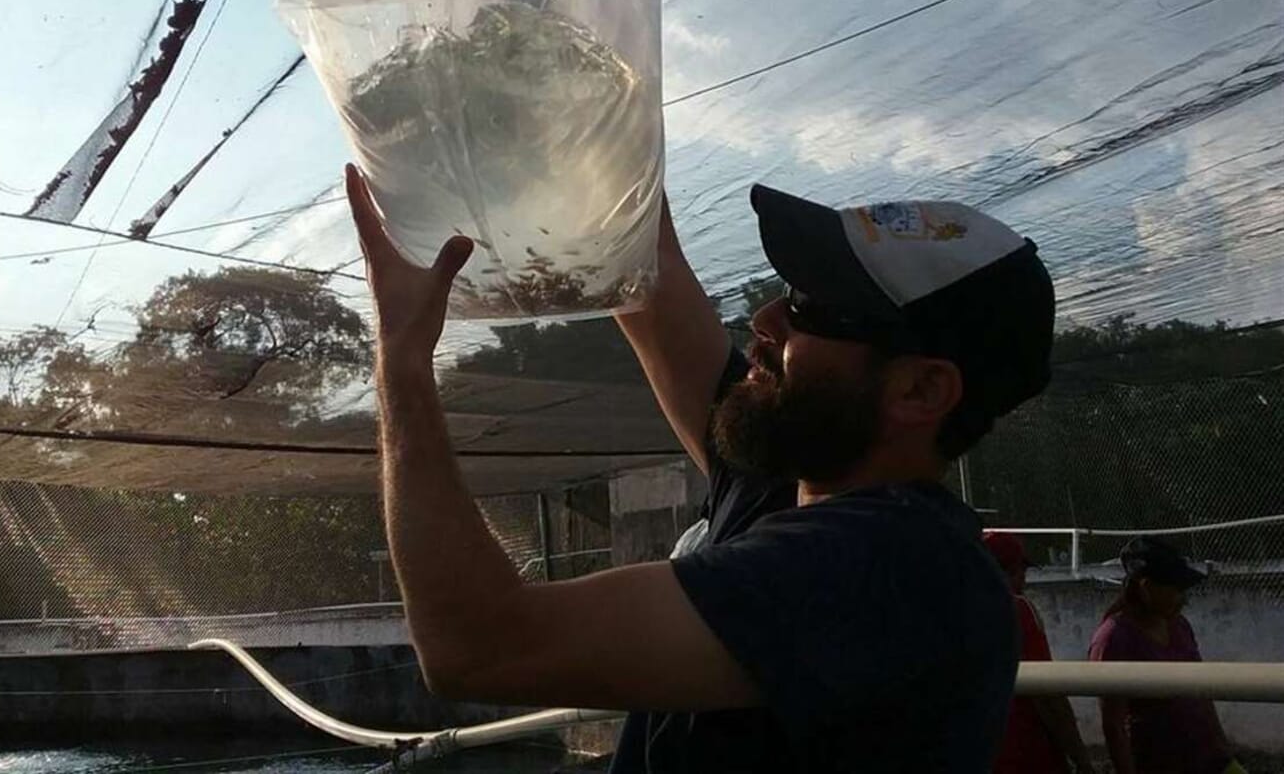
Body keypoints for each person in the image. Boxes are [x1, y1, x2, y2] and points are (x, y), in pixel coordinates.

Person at [345, 167, 1055, 772]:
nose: (766, 317)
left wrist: (403, 362)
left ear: (920, 390)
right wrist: (577, 108)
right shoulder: (789, 487)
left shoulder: (902, 574)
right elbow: (645, 275)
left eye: (814, 308)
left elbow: (479, 645)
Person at [1089, 536, 1244, 774]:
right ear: (1146, 587)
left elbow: (1202, 691)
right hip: (1160, 762)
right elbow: (1114, 725)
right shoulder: (1114, 638)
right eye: (1175, 589)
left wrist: (1222, 747)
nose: (1183, 598)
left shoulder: (1179, 626)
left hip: (1207, 759)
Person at [983, 531, 1095, 774]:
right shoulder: (1016, 610)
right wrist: (1081, 759)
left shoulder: (945, 613)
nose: (1023, 581)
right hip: (1026, 751)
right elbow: (1048, 694)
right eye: (1020, 572)